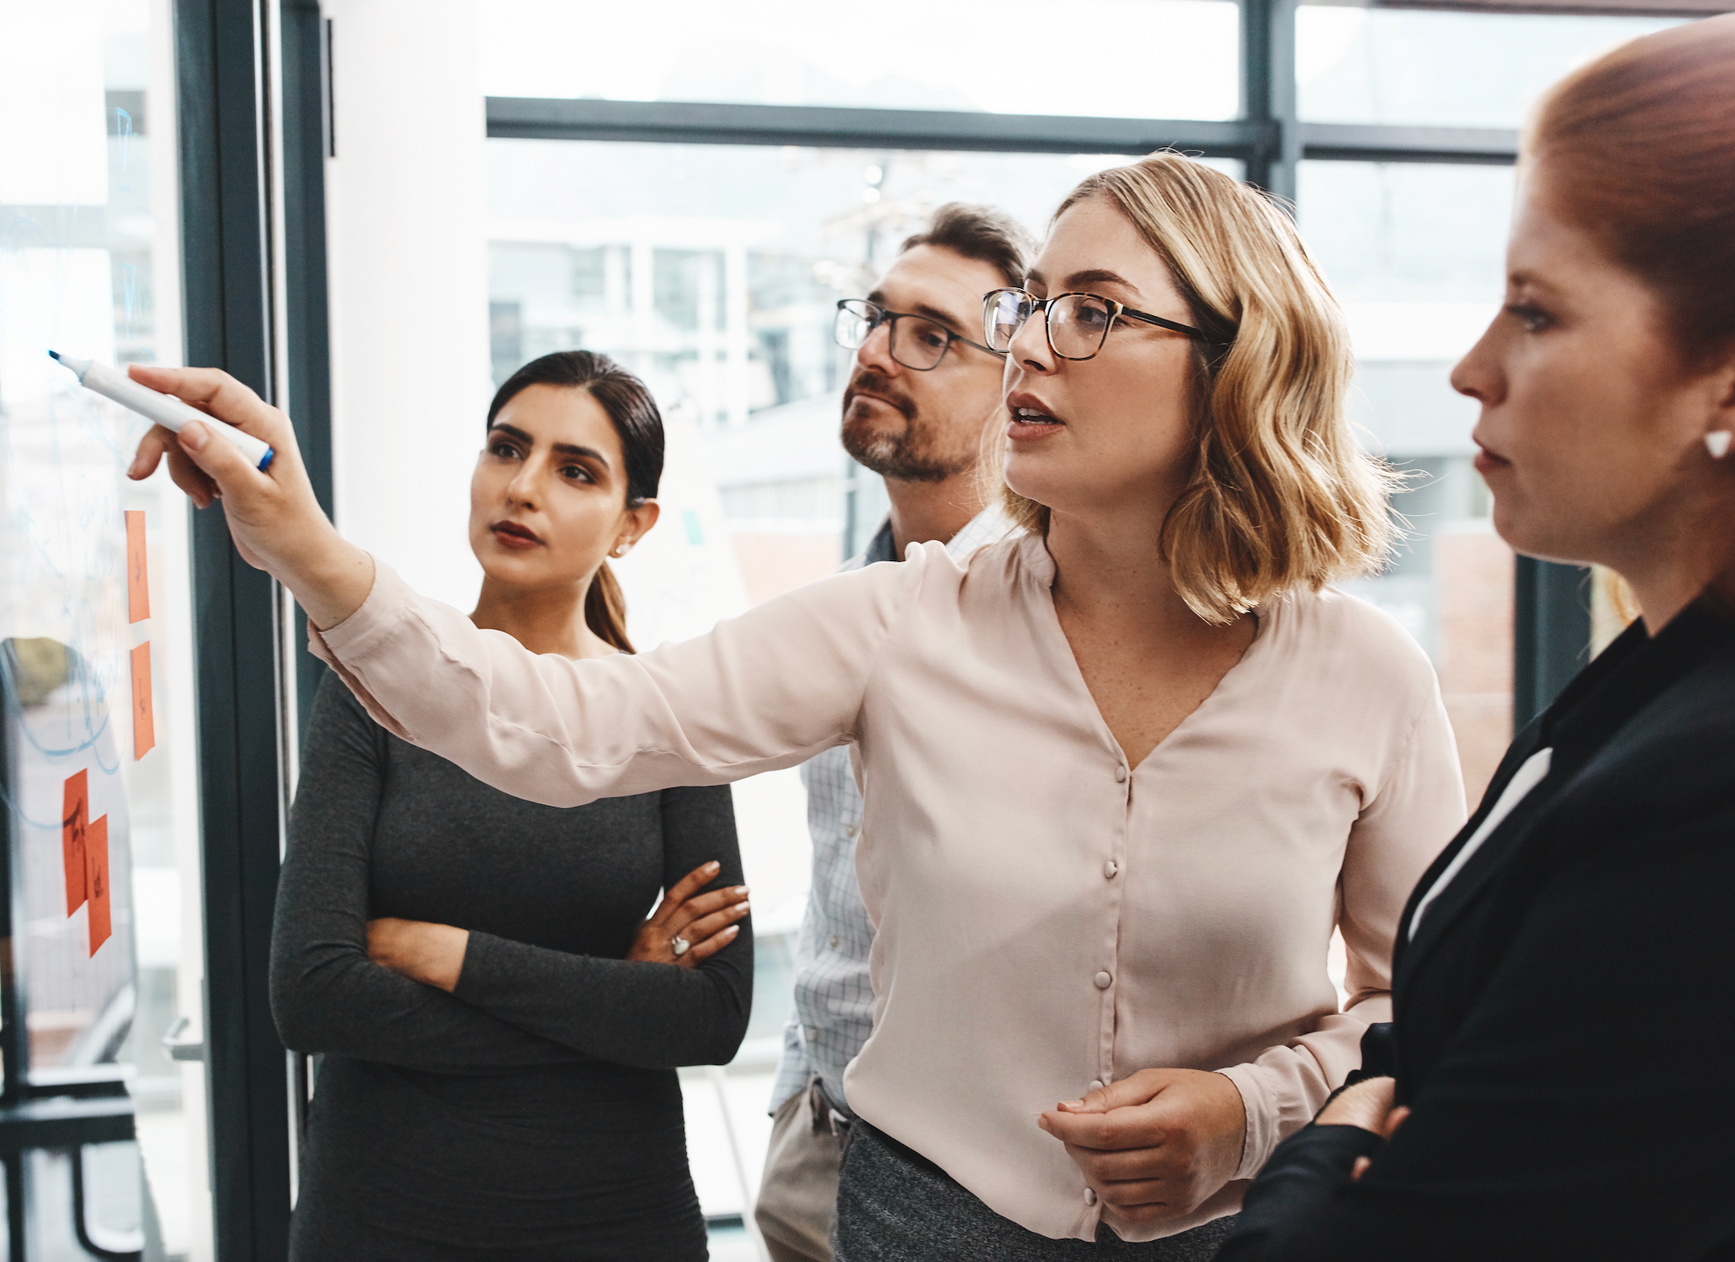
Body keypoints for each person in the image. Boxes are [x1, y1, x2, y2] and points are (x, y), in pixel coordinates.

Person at [130, 152, 1467, 1257]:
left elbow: (1433, 1008)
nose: (1029, 351)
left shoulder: (1363, 676)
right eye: (1032, 308)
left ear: (1237, 363)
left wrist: (1246, 1110)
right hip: (920, 1218)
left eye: (1095, 311)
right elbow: (562, 727)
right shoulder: (899, 620)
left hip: (1249, 1230)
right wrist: (304, 539)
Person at [1216, 16, 1735, 1261]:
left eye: (1536, 313)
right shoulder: (1648, 674)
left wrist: (1322, 1152)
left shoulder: (1702, 795)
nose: (1470, 369)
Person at [269, 351, 754, 1262]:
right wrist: (617, 996)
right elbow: (314, 995)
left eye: (576, 471)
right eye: (506, 449)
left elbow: (712, 1018)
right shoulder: (374, 689)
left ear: (632, 524)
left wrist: (451, 955)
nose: (523, 487)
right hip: (383, 1217)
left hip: (616, 1217)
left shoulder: (670, 714)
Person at [754, 202, 1033, 1262]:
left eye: (931, 335)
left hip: (973, 1182)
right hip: (816, 1142)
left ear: (1021, 392)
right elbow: (842, 894)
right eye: (876, 318)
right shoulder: (841, 605)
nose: (877, 351)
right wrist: (797, 1096)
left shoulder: (1054, 624)